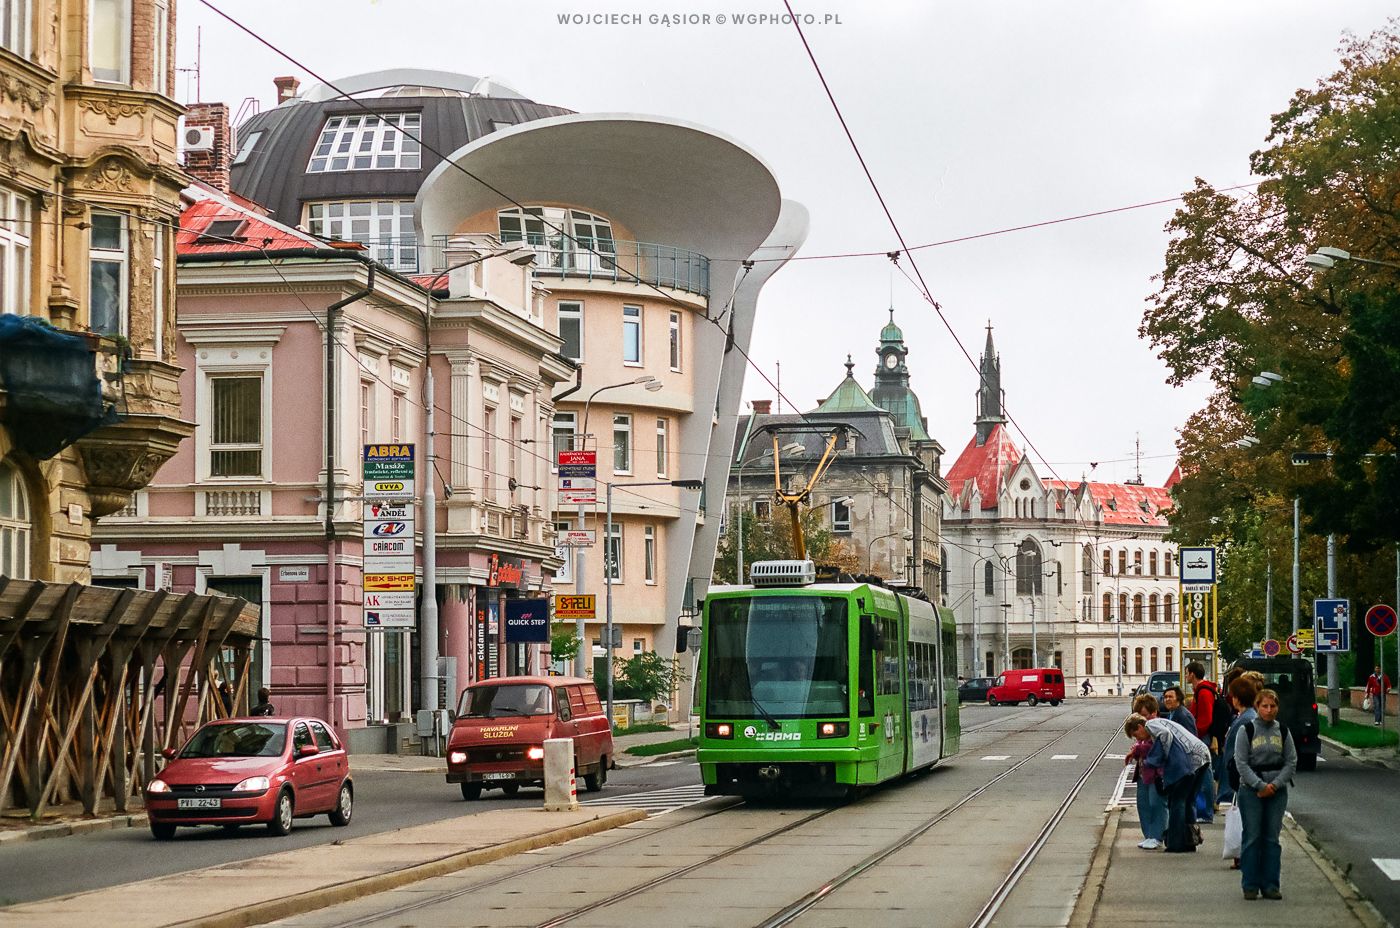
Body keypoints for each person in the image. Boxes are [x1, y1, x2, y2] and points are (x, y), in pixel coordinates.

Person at [1234, 688, 1297, 900]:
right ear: (1257, 707)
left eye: (1273, 706)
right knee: (1252, 837)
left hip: (1277, 791)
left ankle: (1271, 884)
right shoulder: (1247, 730)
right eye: (1265, 706)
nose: (1269, 710)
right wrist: (1260, 786)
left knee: (1272, 838)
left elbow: (1291, 762)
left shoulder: (1284, 731)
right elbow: (1241, 763)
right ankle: (1250, 885)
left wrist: (1275, 785)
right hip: (1251, 791)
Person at [1125, 710, 1212, 853]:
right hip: (1201, 757)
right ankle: (1189, 840)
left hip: (1190, 760)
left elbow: (1166, 735)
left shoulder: (1151, 725)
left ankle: (1176, 843)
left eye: (1136, 735)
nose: (1138, 739)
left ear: (1140, 727)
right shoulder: (1159, 723)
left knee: (1178, 802)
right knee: (1188, 800)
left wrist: (1158, 756)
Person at [1185, 660, 1225, 823]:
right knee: (1203, 772)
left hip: (1203, 737)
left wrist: (1195, 735)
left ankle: (1206, 811)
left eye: (1187, 673)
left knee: (1205, 774)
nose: (1186, 676)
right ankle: (1204, 810)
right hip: (1203, 735)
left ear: (1192, 674)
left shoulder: (1203, 692)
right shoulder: (1202, 690)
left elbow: (1206, 718)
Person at [1128, 695, 1168, 849]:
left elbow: (1154, 747)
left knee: (1156, 804)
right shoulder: (1146, 727)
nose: (1142, 720)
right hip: (1143, 772)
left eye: (1143, 715)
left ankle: (1157, 836)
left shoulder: (1159, 726)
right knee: (1143, 803)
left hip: (1156, 773)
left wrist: (1137, 749)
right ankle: (1149, 835)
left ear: (1154, 712)